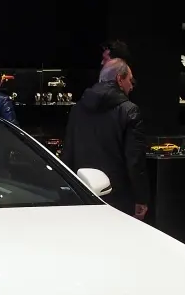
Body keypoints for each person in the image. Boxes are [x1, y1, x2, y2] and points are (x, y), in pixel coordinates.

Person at [61, 58, 149, 220]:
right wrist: (141, 198)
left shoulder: (78, 108)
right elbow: (135, 161)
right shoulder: (130, 111)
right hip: (119, 197)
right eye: (130, 80)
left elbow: (68, 152)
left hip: (83, 192)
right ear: (119, 79)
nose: (131, 86)